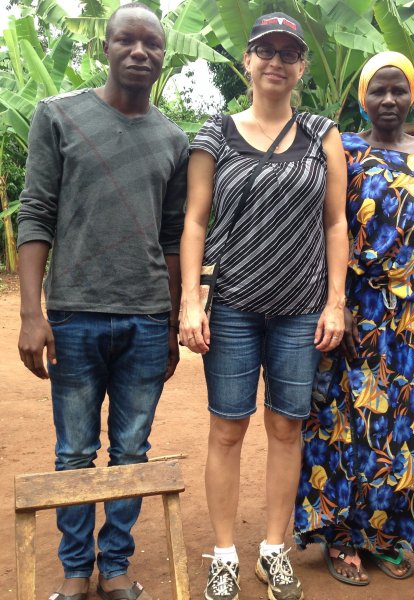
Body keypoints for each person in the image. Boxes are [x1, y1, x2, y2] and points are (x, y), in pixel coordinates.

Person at [16, 4, 188, 599]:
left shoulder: (173, 138)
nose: (140, 52)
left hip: (144, 320)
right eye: (127, 41)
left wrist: (169, 325)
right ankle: (73, 572)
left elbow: (172, 238)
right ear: (107, 47)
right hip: (73, 315)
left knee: (133, 450)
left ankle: (114, 569)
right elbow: (35, 211)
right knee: (74, 452)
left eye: (152, 44)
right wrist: (31, 313)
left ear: (165, 55)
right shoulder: (58, 116)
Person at [179, 11, 347, 600]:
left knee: (285, 426)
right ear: (247, 61)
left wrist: (336, 302)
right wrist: (191, 302)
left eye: (288, 52)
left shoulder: (322, 134)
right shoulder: (214, 135)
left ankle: (273, 549)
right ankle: (224, 553)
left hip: (301, 308)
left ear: (300, 66)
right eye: (265, 50)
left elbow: (334, 222)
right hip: (233, 307)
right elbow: (195, 222)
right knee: (227, 428)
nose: (276, 61)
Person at [293, 51, 414, 586]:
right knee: (345, 422)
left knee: (405, 429)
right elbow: (327, 226)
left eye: (398, 90)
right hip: (355, 310)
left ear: (412, 94)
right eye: (377, 91)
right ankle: (342, 539)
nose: (388, 100)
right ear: (361, 99)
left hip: (413, 318)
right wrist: (333, 302)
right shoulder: (342, 151)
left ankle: (389, 537)